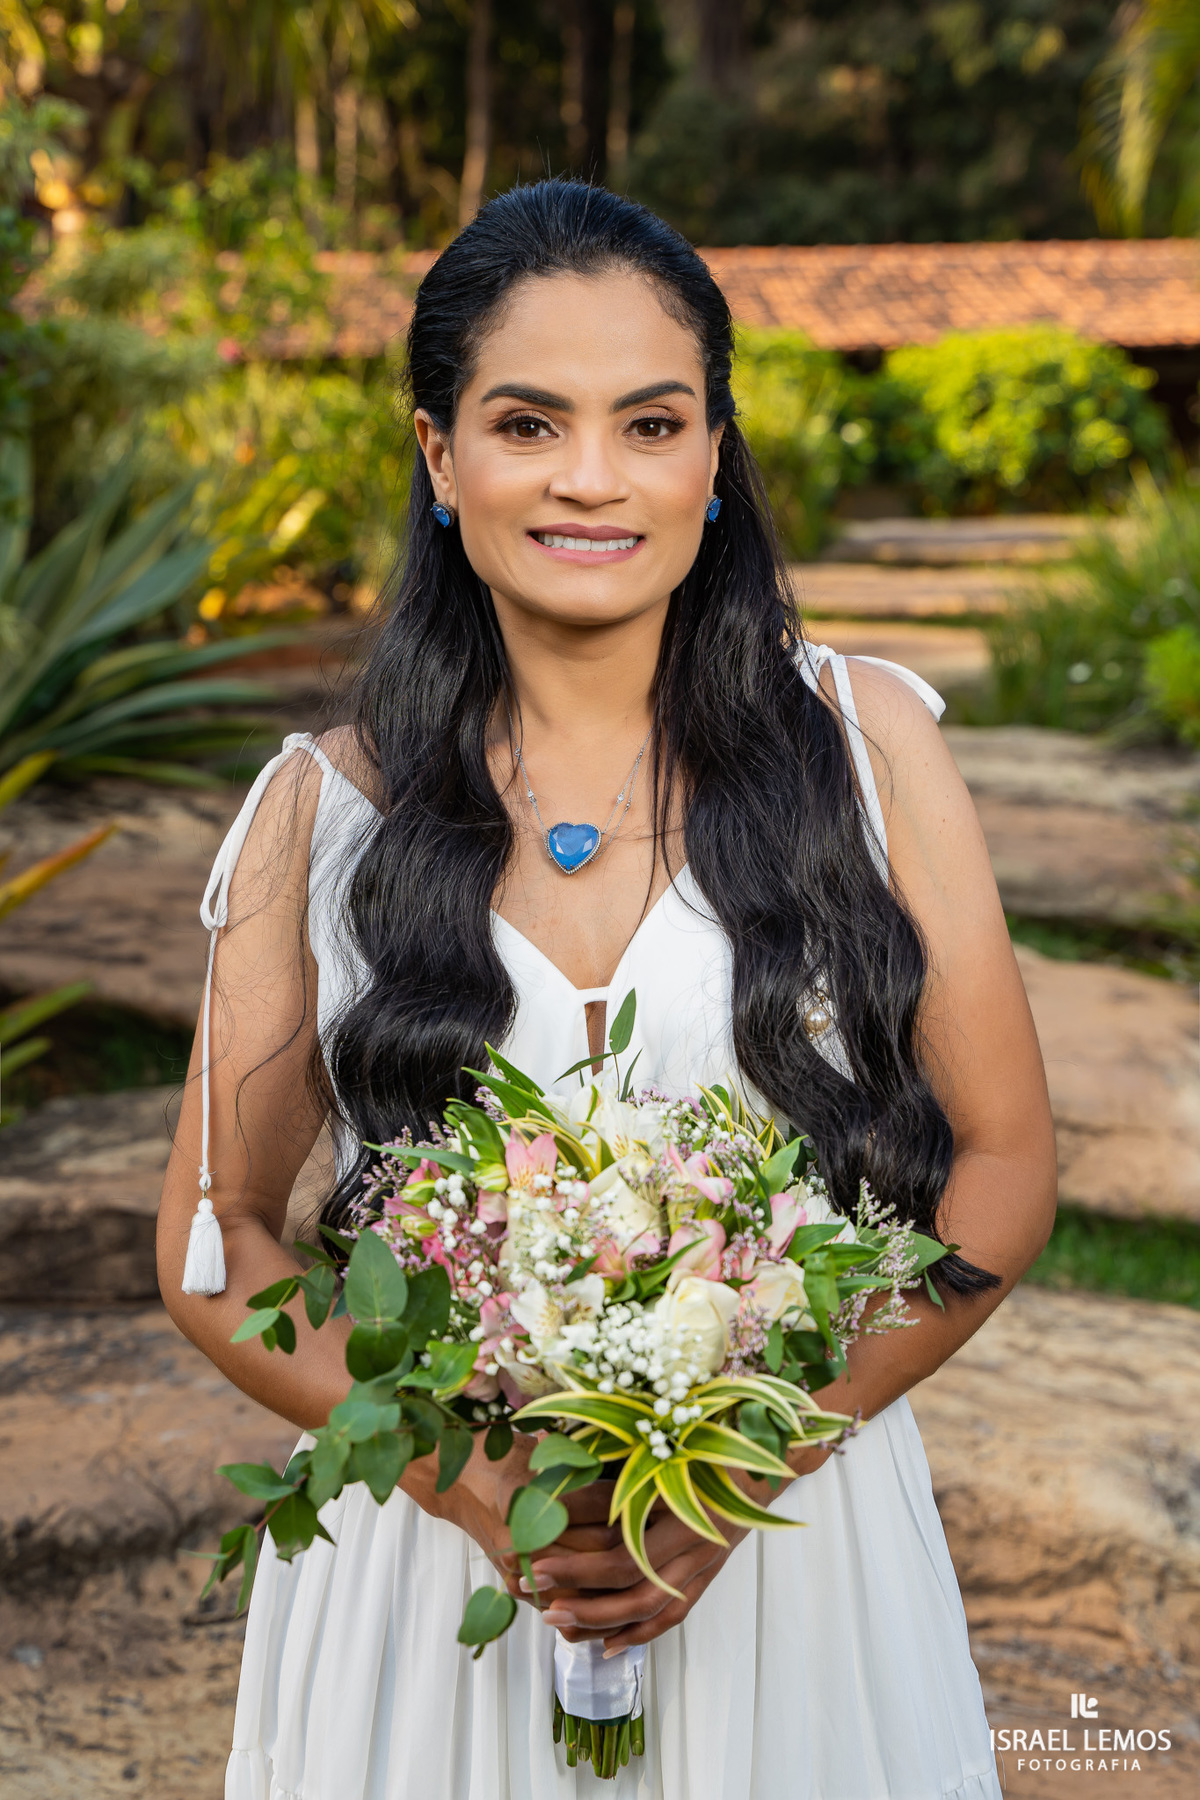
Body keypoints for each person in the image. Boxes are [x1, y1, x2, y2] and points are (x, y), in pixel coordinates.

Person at [157, 179, 1056, 1800]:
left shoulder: (867, 748)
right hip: (429, 1579)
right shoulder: (322, 811)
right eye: (527, 423)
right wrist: (472, 1479)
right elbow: (220, 1251)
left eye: (652, 425)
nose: (593, 478)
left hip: (791, 1552)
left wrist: (746, 1470)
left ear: (717, 457)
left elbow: (1002, 1165)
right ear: (440, 458)